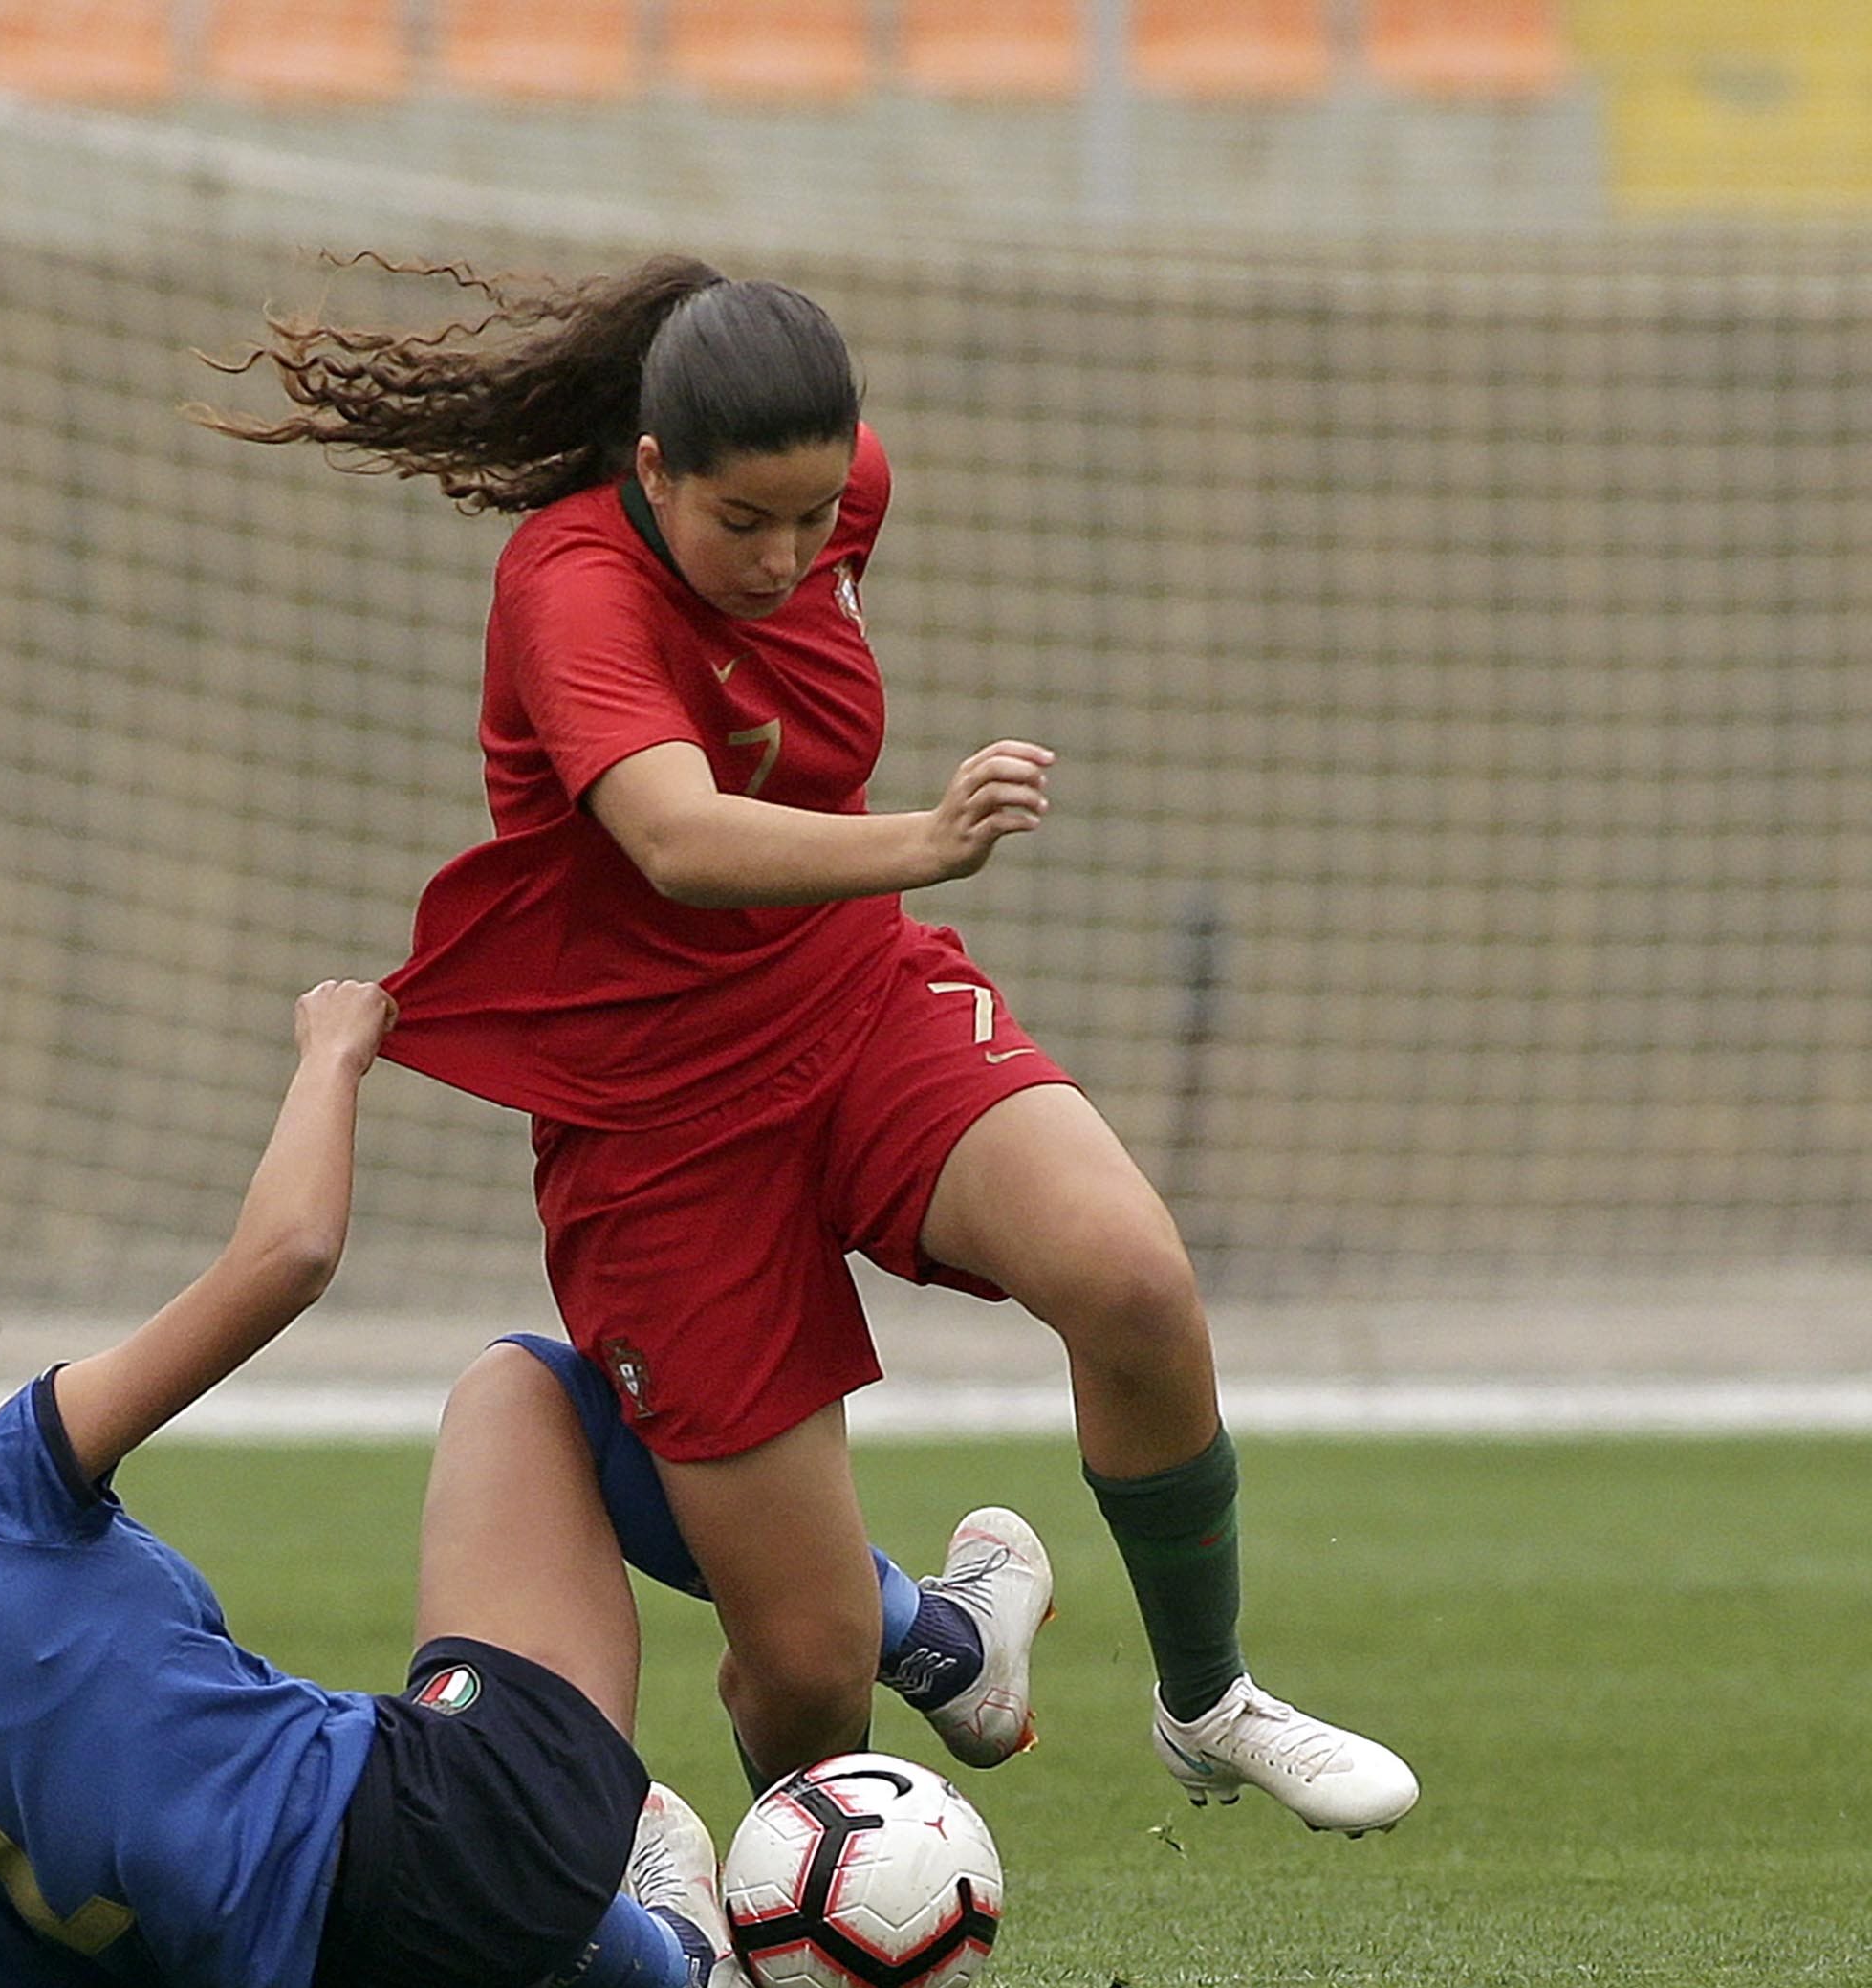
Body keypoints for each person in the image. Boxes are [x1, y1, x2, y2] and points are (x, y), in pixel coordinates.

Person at [199, 258, 1414, 1834]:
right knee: (808, 1666)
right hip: (655, 1125)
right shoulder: (569, 587)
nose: (789, 555)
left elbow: (793, 655)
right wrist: (924, 838)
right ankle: (818, 1895)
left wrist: (893, 869)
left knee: (1130, 1280)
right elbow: (677, 839)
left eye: (815, 515)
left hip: (851, 1003)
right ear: (653, 470)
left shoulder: (840, 497)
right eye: (744, 525)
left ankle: (1210, 1700)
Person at [0, 984, 811, 1988]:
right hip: (456, 1854)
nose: (1, 1404)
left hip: (316, 1977)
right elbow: (288, 1256)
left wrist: (23, 1962)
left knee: (306, 1772)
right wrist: (333, 1053)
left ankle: (670, 1958)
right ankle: (916, 1627)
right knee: (526, 1390)